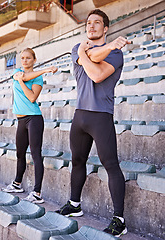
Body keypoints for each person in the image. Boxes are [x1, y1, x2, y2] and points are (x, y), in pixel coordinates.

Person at [55, 9, 130, 237]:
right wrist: (105, 48)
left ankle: (119, 219)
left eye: (97, 23)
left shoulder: (116, 55)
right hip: (80, 116)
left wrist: (86, 54)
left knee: (111, 165)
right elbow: (92, 60)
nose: (92, 26)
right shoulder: (82, 49)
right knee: (77, 161)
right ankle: (75, 204)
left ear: (105, 28)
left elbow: (97, 75)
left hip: (100, 115)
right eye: (89, 23)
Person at [3, 48, 57, 204]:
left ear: (34, 60)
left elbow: (32, 97)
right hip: (21, 120)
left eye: (28, 58)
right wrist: (45, 70)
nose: (25, 60)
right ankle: (17, 184)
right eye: (22, 58)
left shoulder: (38, 79)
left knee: (35, 154)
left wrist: (21, 81)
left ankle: (37, 192)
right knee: (20, 153)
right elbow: (23, 76)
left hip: (34, 118)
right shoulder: (18, 72)